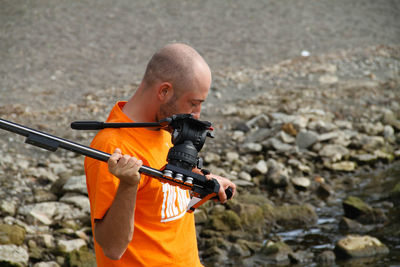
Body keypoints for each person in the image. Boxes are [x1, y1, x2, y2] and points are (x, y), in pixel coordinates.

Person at [84, 43, 236, 267]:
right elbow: (112, 248)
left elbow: (164, 200)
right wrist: (128, 185)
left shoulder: (167, 128)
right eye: (193, 104)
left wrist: (204, 182)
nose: (197, 116)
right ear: (164, 92)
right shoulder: (112, 147)